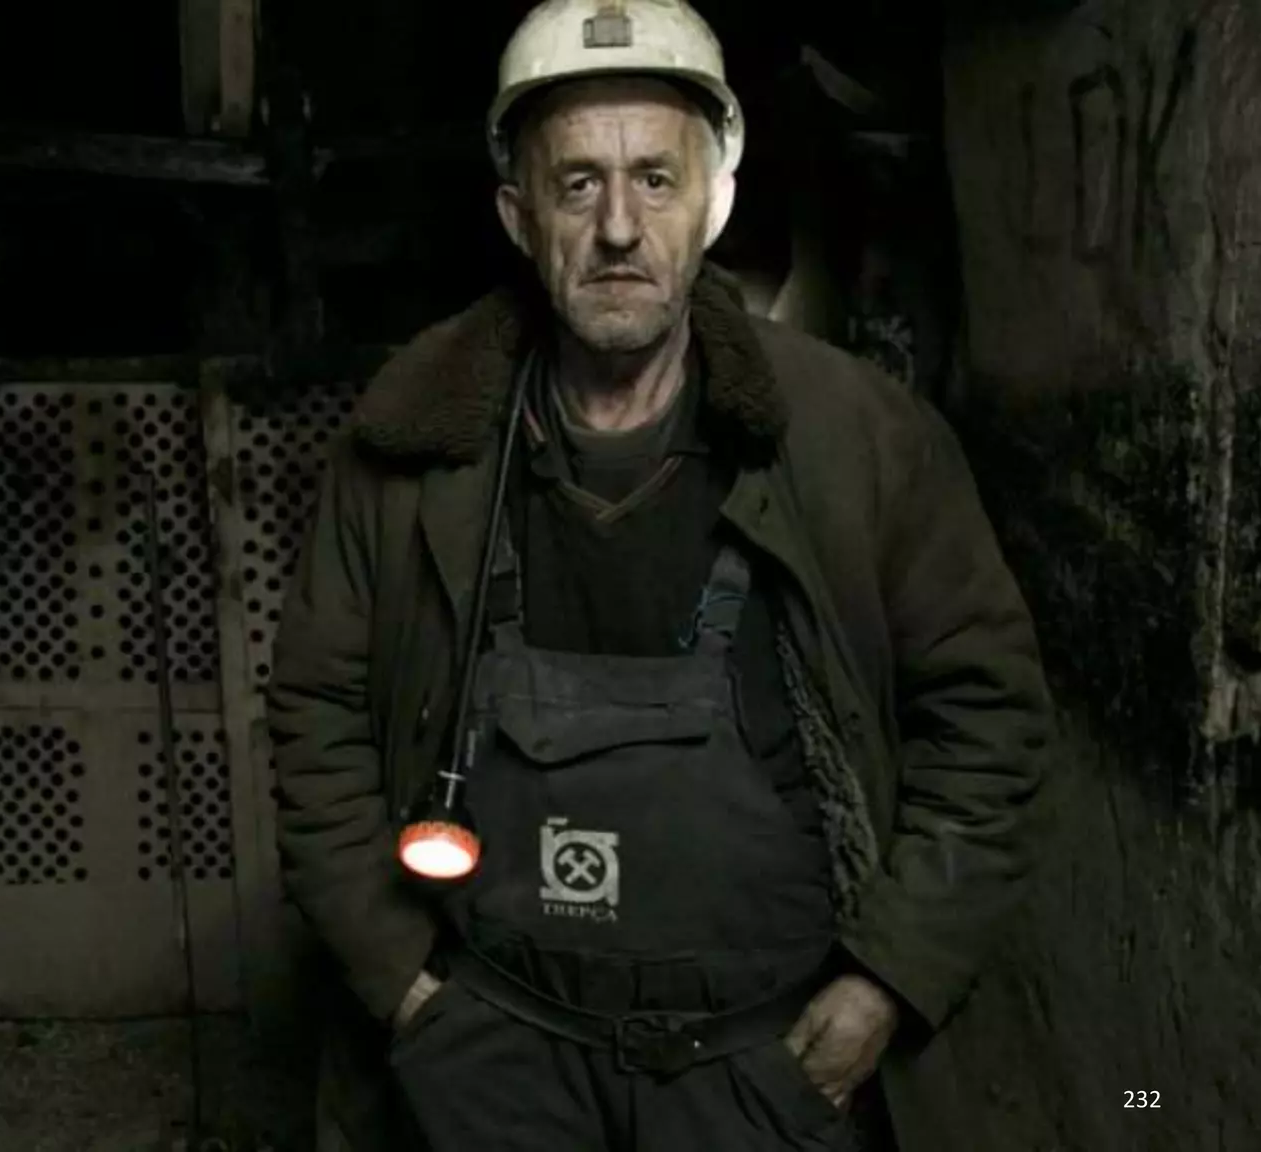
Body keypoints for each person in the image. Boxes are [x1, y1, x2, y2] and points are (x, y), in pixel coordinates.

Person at [265, 1, 1055, 1149]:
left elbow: (987, 723)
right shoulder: (412, 448)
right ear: (517, 216)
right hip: (491, 1062)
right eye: (576, 185)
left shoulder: (857, 441)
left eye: (654, 179)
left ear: (713, 204)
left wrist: (886, 978)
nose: (617, 228)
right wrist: (404, 988)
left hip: (760, 1070)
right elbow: (314, 717)